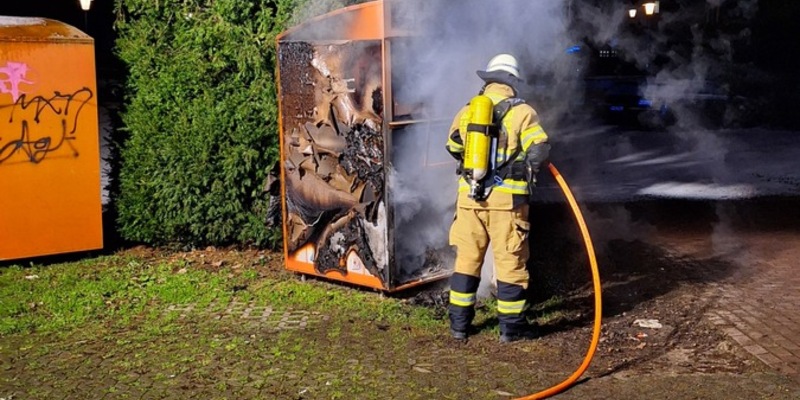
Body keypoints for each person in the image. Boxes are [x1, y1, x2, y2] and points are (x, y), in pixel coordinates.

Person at [445, 53, 551, 343]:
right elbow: (539, 149)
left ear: (489, 80)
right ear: (512, 83)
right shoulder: (523, 112)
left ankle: (459, 326)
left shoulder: (468, 110)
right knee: (510, 263)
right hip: (507, 204)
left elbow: (452, 144)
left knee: (466, 260)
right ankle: (512, 328)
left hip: (469, 199)